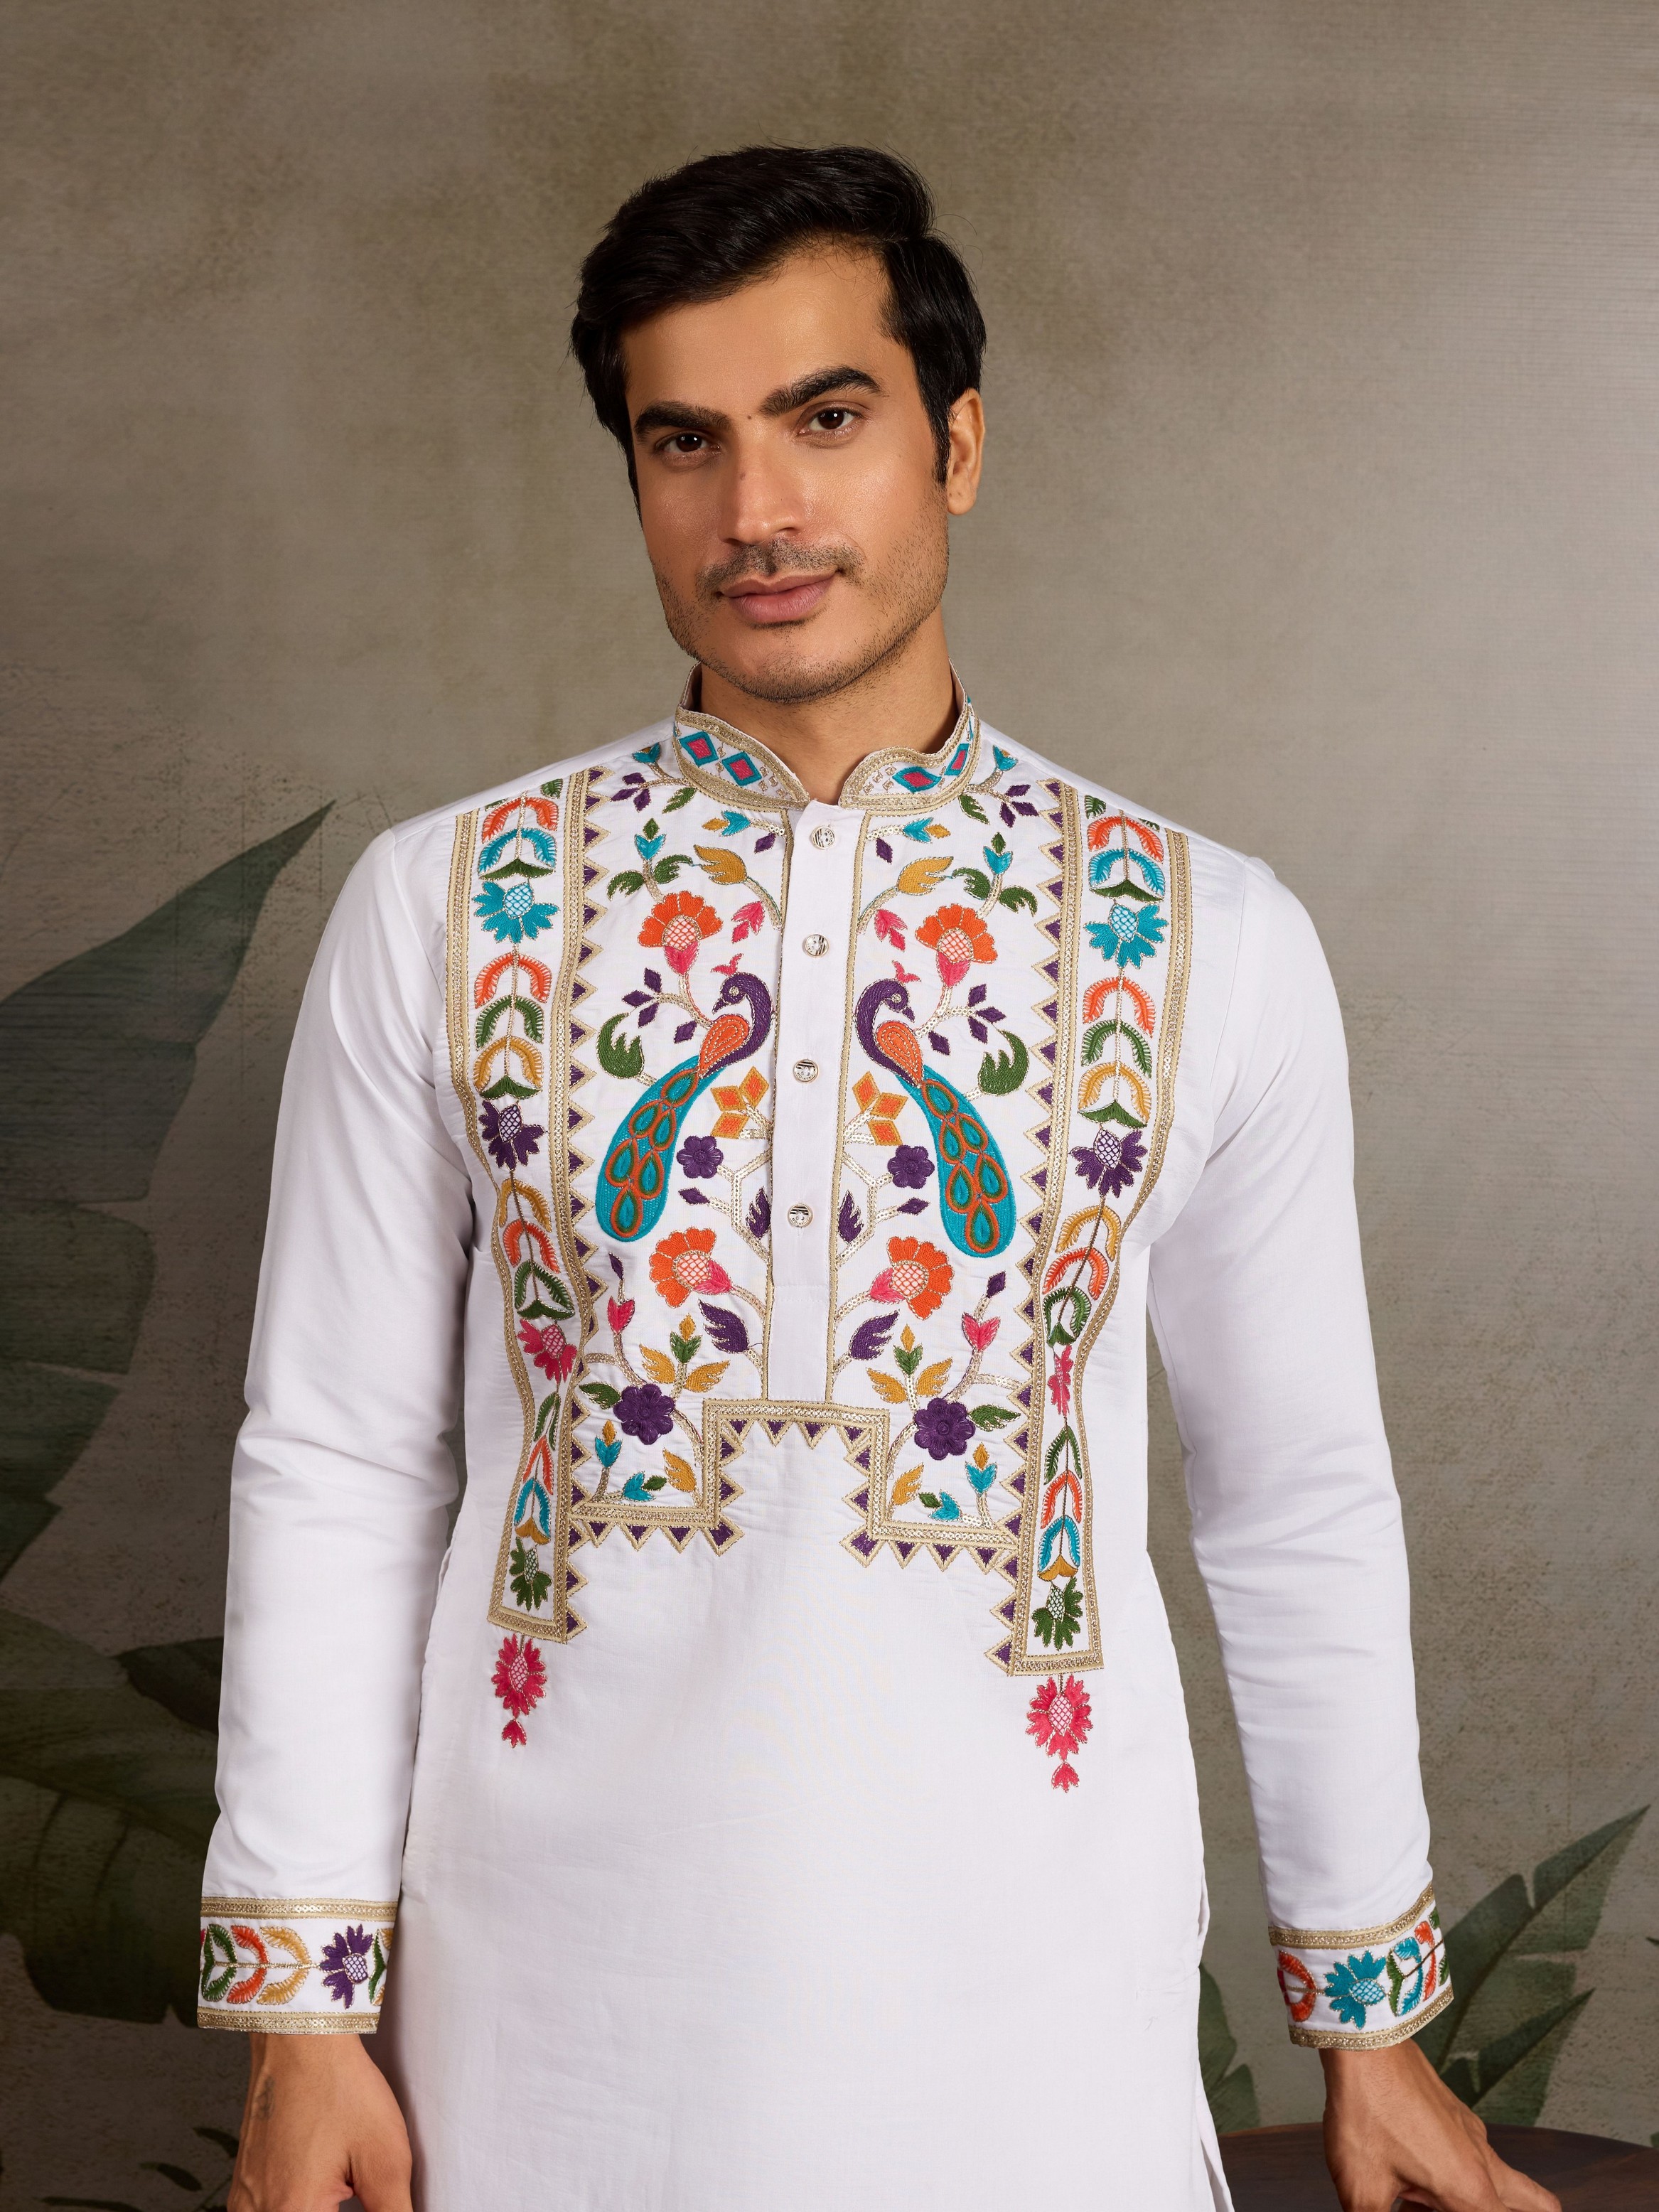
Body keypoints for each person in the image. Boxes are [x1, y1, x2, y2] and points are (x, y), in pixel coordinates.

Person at [203, 146, 1557, 2212]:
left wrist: (1369, 2028)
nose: (756, 509)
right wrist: (304, 2019)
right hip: (550, 2022)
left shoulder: (1206, 935)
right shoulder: (451, 908)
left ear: (958, 445)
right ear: (635, 480)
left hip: (1037, 2014)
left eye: (825, 419)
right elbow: (339, 1456)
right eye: (686, 441)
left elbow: (1296, 1497)